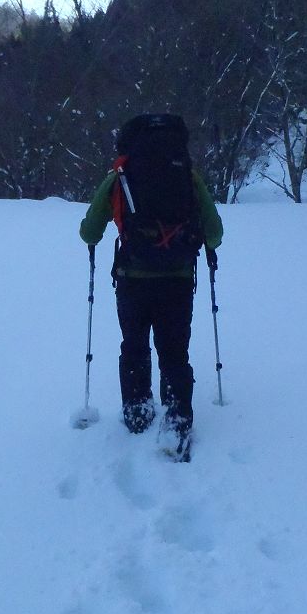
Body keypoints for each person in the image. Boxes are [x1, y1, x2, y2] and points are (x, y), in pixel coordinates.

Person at [79, 114, 223, 456]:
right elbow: (215, 232)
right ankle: (177, 420)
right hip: (178, 278)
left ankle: (137, 412)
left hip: (133, 279)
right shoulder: (187, 175)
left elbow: (89, 231)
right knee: (175, 352)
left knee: (134, 346)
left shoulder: (120, 176)